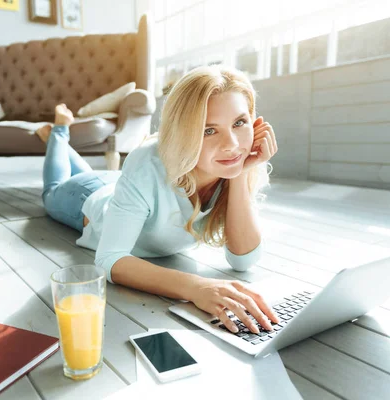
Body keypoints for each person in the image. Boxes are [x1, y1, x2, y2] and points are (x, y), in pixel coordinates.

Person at [39, 65, 280, 334]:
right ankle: (59, 132)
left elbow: (243, 261)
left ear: (255, 122)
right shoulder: (147, 161)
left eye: (239, 122)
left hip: (127, 188)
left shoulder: (232, 162)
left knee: (106, 178)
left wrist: (239, 170)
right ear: (183, 132)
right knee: (52, 190)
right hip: (86, 199)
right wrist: (197, 286)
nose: (232, 144)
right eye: (208, 130)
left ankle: (61, 142)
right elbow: (109, 259)